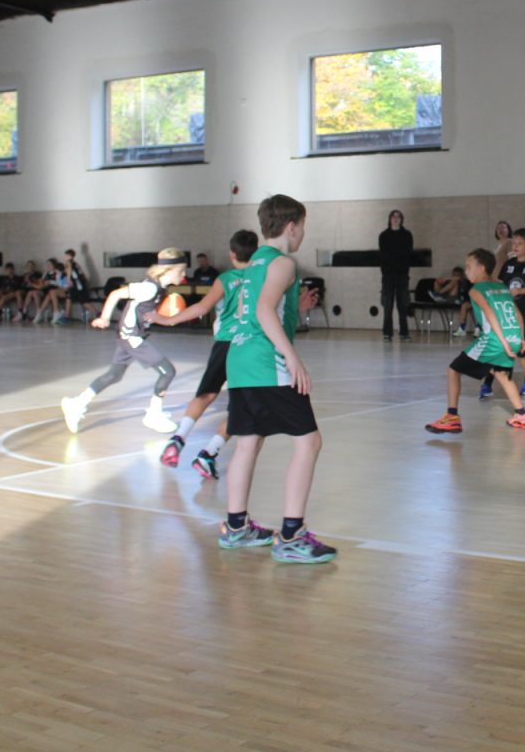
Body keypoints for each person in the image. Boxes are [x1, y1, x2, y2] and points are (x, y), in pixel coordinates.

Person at [216, 194, 334, 563]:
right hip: (267, 363)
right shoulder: (283, 263)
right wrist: (292, 357)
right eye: (303, 227)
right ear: (292, 226)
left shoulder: (253, 264)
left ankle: (236, 527)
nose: (303, 234)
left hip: (239, 361)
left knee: (248, 442)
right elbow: (265, 310)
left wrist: (294, 307)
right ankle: (292, 535)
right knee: (308, 442)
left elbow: (258, 307)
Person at [147, 230, 260, 479]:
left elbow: (201, 307)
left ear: (232, 254)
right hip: (248, 346)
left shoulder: (225, 279)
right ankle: (209, 454)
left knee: (206, 394)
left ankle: (178, 439)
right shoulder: (260, 278)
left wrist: (167, 320)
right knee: (241, 407)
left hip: (224, 343)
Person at [60, 249, 187, 435]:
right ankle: (153, 415)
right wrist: (104, 318)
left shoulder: (160, 288)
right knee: (168, 372)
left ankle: (76, 404)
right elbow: (115, 294)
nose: (184, 275)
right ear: (169, 270)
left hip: (129, 336)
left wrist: (164, 318)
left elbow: (146, 313)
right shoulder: (149, 288)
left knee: (114, 375)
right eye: (181, 271)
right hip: (131, 337)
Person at [426, 249, 525, 433]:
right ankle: (522, 414)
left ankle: (451, 417)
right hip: (513, 338)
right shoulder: (502, 286)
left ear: (482, 268)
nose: (466, 271)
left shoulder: (476, 290)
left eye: (469, 267)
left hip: (494, 340)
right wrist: (521, 338)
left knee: (453, 370)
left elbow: (490, 314)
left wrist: (502, 342)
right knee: (501, 374)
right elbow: (518, 314)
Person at [486, 227, 525, 399]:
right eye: (514, 243)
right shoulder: (508, 264)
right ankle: (488, 382)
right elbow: (500, 284)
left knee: (522, 347)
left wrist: (521, 291)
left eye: (520, 243)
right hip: (506, 312)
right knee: (499, 345)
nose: (516, 246)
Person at [378, 209, 413, 342]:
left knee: (402, 304)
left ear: (401, 219)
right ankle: (387, 333)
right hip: (388, 275)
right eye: (393, 216)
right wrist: (385, 271)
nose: (396, 218)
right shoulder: (384, 235)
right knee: (388, 305)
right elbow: (383, 255)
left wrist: (404, 269)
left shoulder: (407, 235)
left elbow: (408, 253)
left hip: (402, 275)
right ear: (390, 219)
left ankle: (404, 332)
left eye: (398, 216)